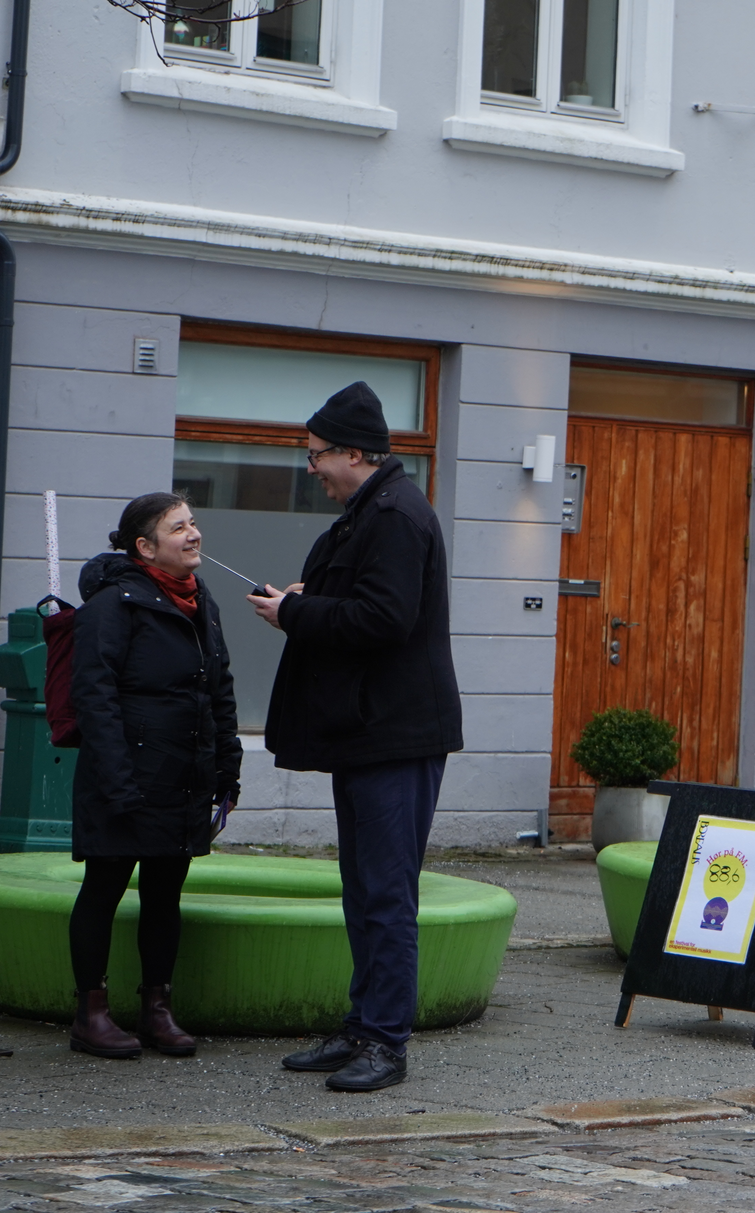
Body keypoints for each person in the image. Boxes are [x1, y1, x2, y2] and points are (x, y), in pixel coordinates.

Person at [249, 382, 462, 1092]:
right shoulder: (369, 512)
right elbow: (365, 605)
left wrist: (295, 615)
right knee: (363, 890)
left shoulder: (395, 515)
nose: (310, 467)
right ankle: (362, 1025)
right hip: (369, 732)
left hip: (394, 736)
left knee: (386, 894)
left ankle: (385, 1042)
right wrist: (305, 601)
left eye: (316, 455)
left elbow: (384, 620)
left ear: (354, 453)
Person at [67, 493, 242, 1060]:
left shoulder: (200, 600)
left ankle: (156, 1010)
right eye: (178, 528)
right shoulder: (111, 606)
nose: (193, 534)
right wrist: (118, 783)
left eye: (193, 523)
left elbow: (218, 687)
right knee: (104, 889)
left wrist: (227, 764)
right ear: (145, 547)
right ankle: (91, 1014)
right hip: (124, 776)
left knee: (165, 894)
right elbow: (94, 698)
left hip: (182, 774)